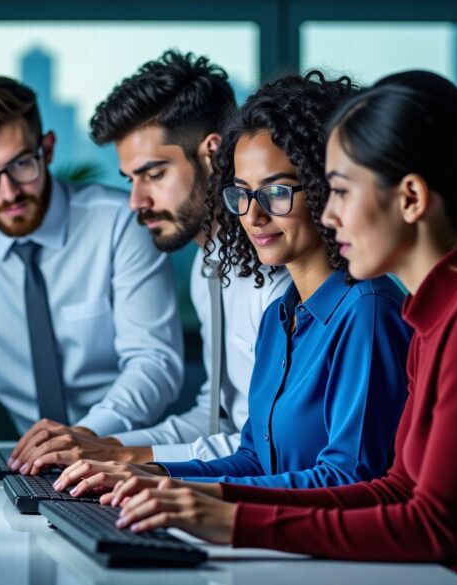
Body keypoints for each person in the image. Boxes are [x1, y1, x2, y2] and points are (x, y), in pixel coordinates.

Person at [97, 70, 457, 584]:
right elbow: (394, 488)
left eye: (341, 191)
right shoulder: (437, 310)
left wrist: (231, 520)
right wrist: (205, 494)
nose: (331, 215)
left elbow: (431, 525)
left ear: (410, 199)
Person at [54, 72, 412, 492]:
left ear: (324, 187)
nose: (253, 216)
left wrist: (193, 492)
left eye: (276, 192)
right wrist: (150, 474)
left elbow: (351, 478)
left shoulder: (366, 309)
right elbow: (253, 456)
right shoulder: (282, 317)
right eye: (241, 193)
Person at [6, 50, 288, 475]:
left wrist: (126, 458)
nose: (136, 202)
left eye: (154, 175)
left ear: (213, 155)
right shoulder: (207, 266)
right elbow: (216, 421)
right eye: (130, 180)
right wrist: (98, 444)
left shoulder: (280, 273)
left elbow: (273, 447)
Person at [0, 76, 184, 446]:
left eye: (21, 164)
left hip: (125, 450)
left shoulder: (120, 222)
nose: (8, 193)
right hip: (31, 460)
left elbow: (154, 361)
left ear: (48, 149)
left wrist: (87, 435)